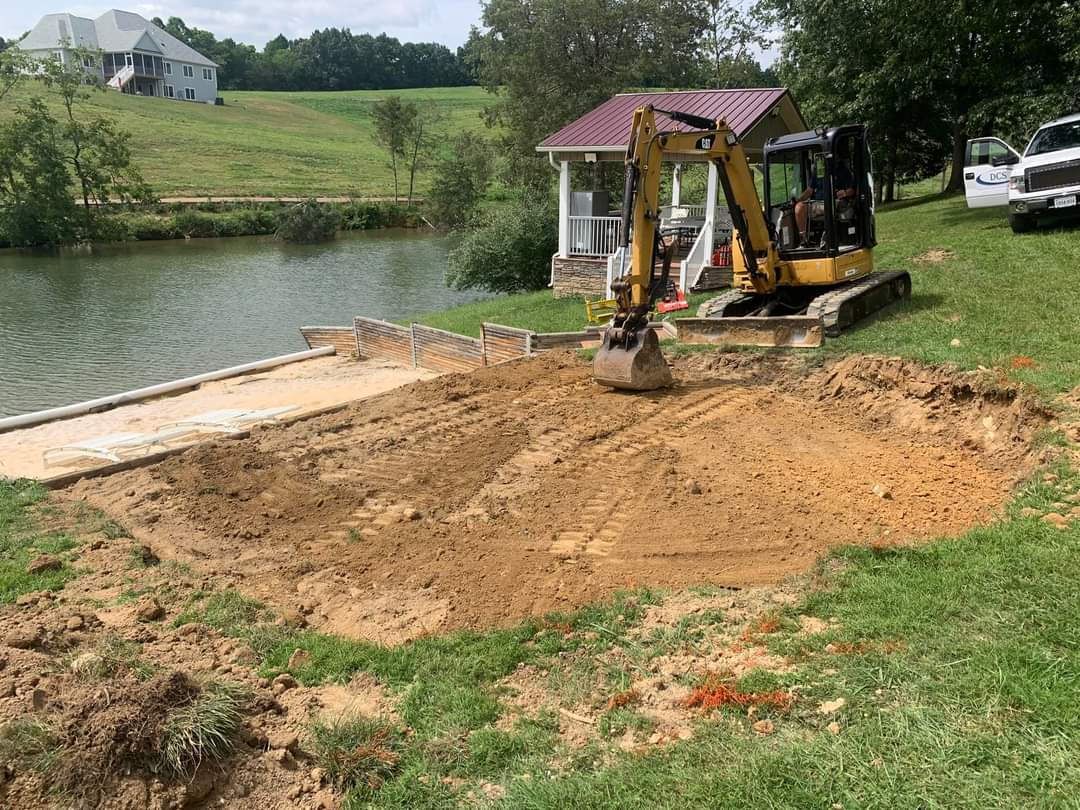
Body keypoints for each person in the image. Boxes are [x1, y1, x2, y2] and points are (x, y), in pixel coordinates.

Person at [794, 154, 857, 244]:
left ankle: (827, 236)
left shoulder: (843, 171)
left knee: (829, 205)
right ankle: (804, 239)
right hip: (817, 203)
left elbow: (852, 190)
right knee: (799, 207)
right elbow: (809, 191)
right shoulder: (819, 171)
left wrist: (845, 193)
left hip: (834, 202)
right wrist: (798, 200)